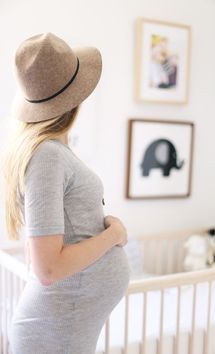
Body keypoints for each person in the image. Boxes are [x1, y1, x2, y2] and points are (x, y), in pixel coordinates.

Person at [3, 32, 131, 354]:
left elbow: (38, 255)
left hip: (64, 327)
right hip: (54, 333)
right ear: (74, 99)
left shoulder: (52, 151)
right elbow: (47, 269)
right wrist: (113, 235)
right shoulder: (46, 155)